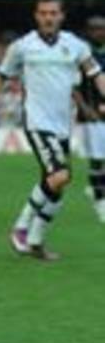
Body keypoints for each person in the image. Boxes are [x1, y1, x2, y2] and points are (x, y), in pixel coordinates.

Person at [0, 0, 105, 259]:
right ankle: (21, 228)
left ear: (61, 16)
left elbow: (96, 74)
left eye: (53, 13)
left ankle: (35, 242)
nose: (48, 18)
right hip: (37, 121)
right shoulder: (22, 47)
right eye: (43, 13)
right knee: (59, 176)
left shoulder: (76, 45)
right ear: (36, 16)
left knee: (56, 186)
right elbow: (1, 74)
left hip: (62, 125)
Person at [74, 15, 105, 222]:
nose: (99, 32)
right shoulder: (83, 56)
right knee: (97, 157)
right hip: (91, 115)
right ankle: (100, 201)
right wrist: (86, 110)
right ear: (88, 31)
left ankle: (95, 188)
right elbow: (74, 87)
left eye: (102, 28)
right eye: (95, 29)